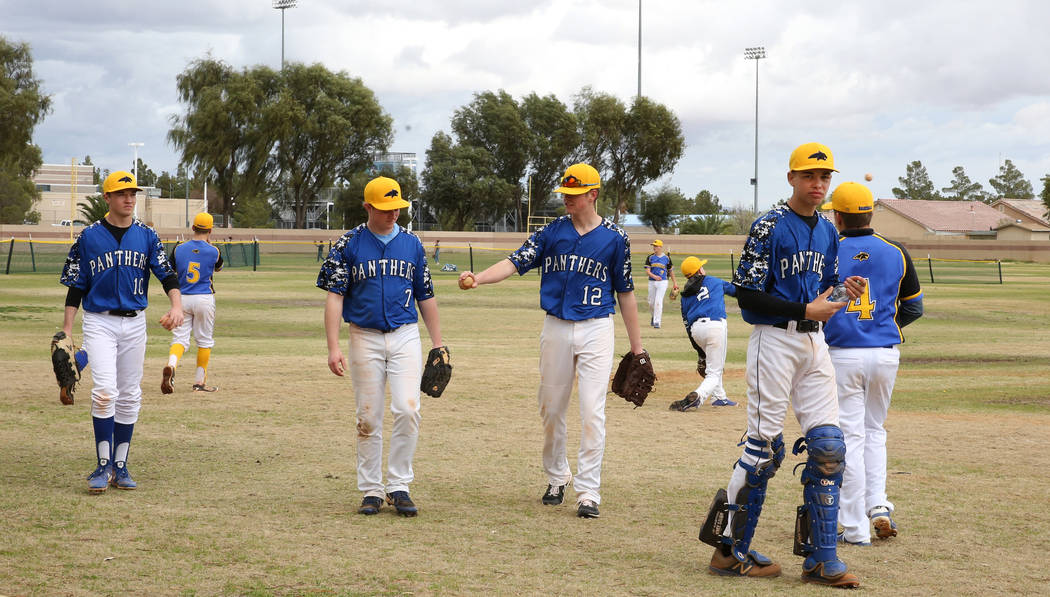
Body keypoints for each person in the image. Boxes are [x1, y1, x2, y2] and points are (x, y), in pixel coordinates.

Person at [698, 142, 866, 587]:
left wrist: (841, 292)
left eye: (825, 177)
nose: (818, 184)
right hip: (773, 341)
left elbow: (825, 289)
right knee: (763, 451)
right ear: (791, 178)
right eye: (810, 176)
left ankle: (820, 558)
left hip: (815, 345)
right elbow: (747, 293)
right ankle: (729, 552)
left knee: (829, 446)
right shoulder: (769, 226)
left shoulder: (829, 231)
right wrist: (803, 310)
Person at [457, 163, 645, 519]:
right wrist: (478, 278)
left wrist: (637, 348)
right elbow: (515, 262)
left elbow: (626, 293)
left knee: (593, 411)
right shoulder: (551, 233)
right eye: (565, 194)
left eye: (574, 194)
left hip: (596, 328)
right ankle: (558, 476)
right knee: (551, 408)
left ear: (593, 194)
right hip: (556, 327)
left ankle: (588, 491)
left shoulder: (615, 238)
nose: (567, 200)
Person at [317, 176, 444, 517]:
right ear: (368, 207)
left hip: (405, 334)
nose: (393, 215)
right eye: (386, 210)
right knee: (368, 417)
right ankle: (371, 489)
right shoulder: (348, 244)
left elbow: (425, 296)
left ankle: (399, 485)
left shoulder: (412, 244)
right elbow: (334, 298)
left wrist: (438, 344)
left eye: (398, 209)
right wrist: (333, 347)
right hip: (364, 335)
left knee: (407, 408)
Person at [58, 171, 184, 493]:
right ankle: (102, 466)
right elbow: (76, 286)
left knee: (129, 395)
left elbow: (166, 275)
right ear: (108, 198)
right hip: (100, 321)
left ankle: (121, 465)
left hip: (135, 322)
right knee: (104, 392)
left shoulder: (146, 235)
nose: (129, 199)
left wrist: (177, 306)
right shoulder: (88, 237)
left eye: (133, 194)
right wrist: (67, 330)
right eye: (122, 193)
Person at [821, 182, 923, 545]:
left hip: (842, 353)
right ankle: (878, 506)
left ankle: (854, 527)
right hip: (884, 353)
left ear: (838, 216)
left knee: (850, 436)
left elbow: (817, 302)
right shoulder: (896, 251)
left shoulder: (831, 249)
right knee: (875, 430)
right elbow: (913, 307)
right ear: (870, 213)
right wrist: (881, 327)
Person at [162, 212, 224, 394]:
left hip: (182, 298)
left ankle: (171, 365)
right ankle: (199, 382)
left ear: (193, 228)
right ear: (210, 230)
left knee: (180, 338)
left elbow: (171, 269)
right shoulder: (214, 250)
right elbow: (218, 267)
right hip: (204, 297)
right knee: (204, 340)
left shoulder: (179, 248)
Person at [668, 256, 737, 411]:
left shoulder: (685, 294)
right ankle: (698, 397)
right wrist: (737, 283)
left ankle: (719, 397)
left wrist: (698, 350)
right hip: (715, 326)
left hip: (696, 331)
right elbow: (735, 291)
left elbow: (686, 322)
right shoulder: (713, 281)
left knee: (714, 363)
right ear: (700, 270)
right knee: (714, 371)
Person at [644, 240, 677, 328]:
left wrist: (675, 283)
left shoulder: (667, 258)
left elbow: (671, 271)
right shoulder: (650, 257)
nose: (654, 247)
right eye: (653, 246)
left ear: (660, 247)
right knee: (651, 302)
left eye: (655, 246)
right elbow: (647, 271)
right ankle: (653, 316)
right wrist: (654, 277)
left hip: (663, 282)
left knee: (658, 302)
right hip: (652, 281)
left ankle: (657, 322)